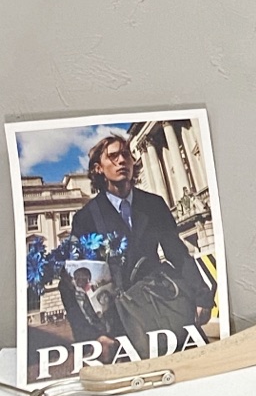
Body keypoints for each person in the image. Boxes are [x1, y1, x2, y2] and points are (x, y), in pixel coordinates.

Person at [71, 134, 212, 343]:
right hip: (120, 320)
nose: (122, 160)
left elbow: (178, 253)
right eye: (113, 156)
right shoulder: (86, 217)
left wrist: (202, 297)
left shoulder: (154, 204)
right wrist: (92, 335)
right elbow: (75, 281)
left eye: (126, 154)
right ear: (98, 168)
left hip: (164, 301)